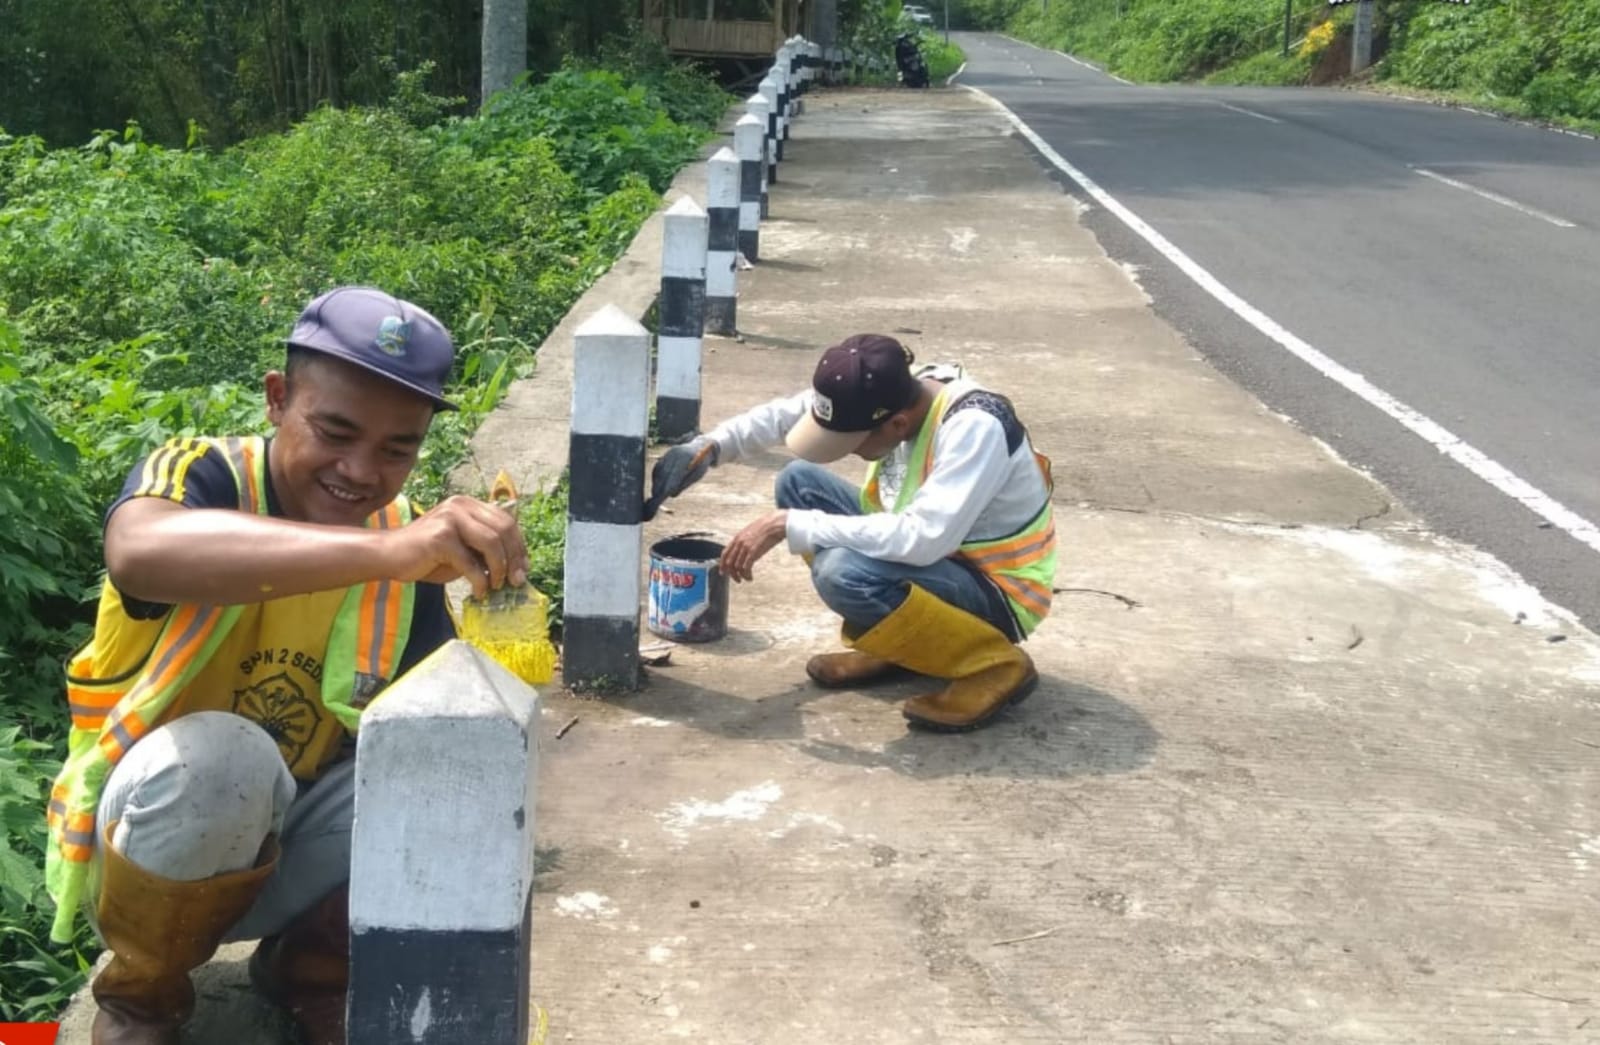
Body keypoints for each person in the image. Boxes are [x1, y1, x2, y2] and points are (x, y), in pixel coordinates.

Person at [45, 286, 531, 1045]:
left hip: (289, 845)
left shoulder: (403, 537)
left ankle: (311, 967)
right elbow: (138, 553)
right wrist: (390, 554)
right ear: (277, 399)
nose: (362, 470)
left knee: (450, 766)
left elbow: (435, 730)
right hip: (148, 847)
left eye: (397, 448)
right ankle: (143, 996)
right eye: (334, 430)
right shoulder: (199, 474)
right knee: (225, 757)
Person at [650, 334, 1056, 732]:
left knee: (841, 572)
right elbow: (785, 415)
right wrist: (710, 447)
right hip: (938, 561)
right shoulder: (895, 388)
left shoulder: (975, 428)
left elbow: (924, 538)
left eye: (853, 441)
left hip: (994, 590)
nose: (849, 449)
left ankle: (993, 664)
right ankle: (903, 646)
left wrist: (789, 524)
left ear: (897, 424)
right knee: (798, 483)